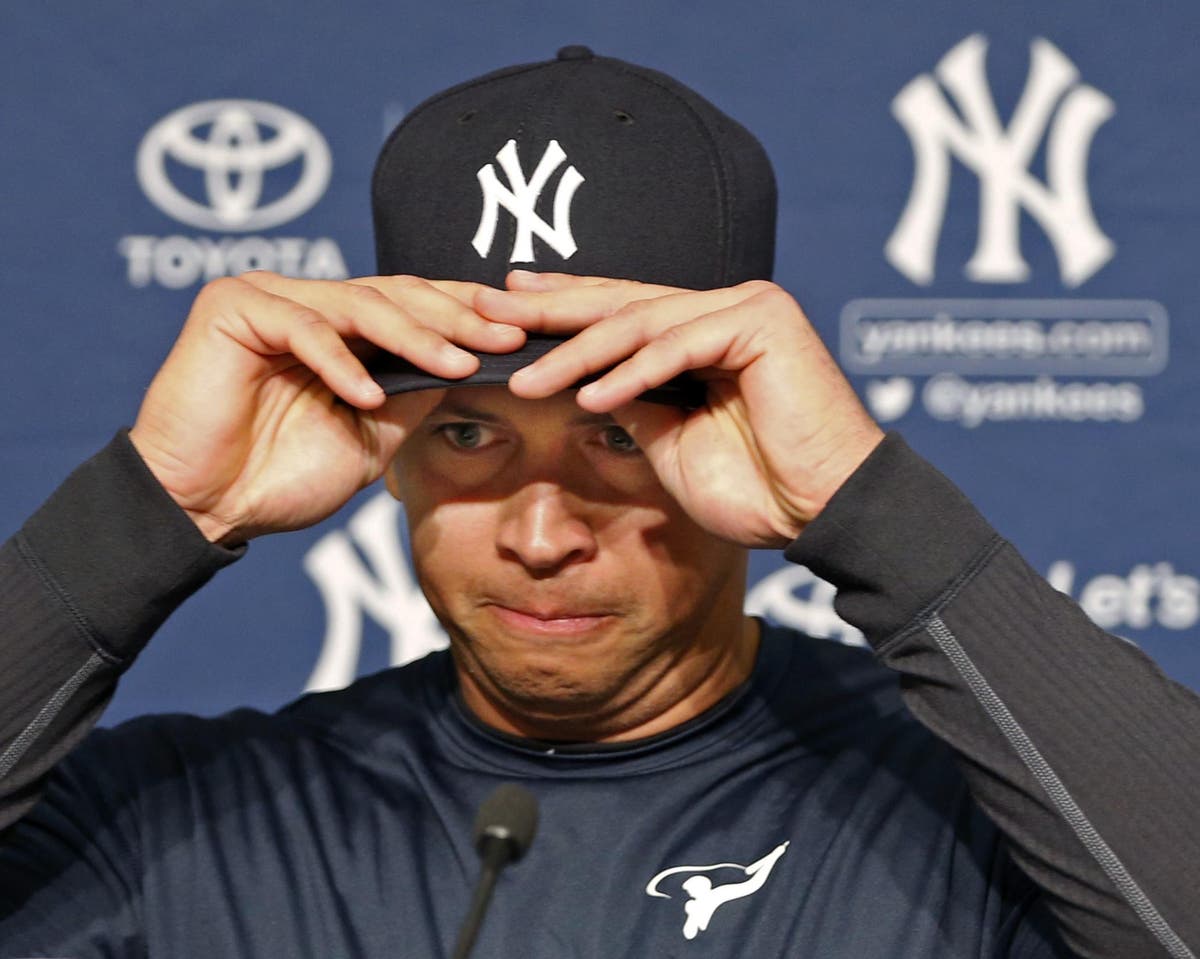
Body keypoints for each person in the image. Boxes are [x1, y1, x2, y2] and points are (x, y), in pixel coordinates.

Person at [0, 47, 1196, 959]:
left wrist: (867, 508)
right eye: (466, 432)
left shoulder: (983, 822)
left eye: (619, 436)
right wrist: (149, 510)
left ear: (743, 427)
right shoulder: (176, 827)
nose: (539, 531)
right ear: (386, 444)